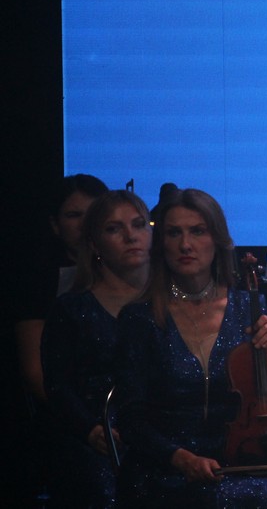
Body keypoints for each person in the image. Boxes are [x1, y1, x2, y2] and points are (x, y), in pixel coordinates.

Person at [113, 188, 267, 509]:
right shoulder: (139, 318)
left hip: (236, 463)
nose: (185, 244)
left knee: (258, 495)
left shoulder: (249, 307)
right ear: (161, 243)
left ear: (217, 240)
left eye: (197, 231)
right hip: (163, 468)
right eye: (173, 233)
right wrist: (180, 458)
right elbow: (129, 417)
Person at [41, 189, 152, 508]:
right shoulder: (72, 308)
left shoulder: (174, 302)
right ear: (94, 244)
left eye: (138, 224)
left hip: (166, 437)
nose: (130, 236)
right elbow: (57, 385)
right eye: (114, 228)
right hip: (99, 442)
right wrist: (90, 430)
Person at [8, 173, 109, 507]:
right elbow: (36, 374)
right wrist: (87, 425)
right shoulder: (39, 280)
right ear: (55, 225)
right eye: (74, 215)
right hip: (71, 417)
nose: (86, 224)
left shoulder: (137, 273)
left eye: (94, 213)